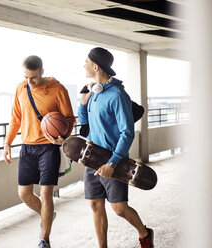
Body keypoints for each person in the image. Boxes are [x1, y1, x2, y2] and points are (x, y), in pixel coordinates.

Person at [78, 47, 154, 248]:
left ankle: (144, 233)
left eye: (86, 61)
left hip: (114, 159)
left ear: (96, 66)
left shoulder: (118, 95)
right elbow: (85, 125)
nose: (83, 65)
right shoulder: (95, 92)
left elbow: (127, 133)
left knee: (119, 208)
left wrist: (112, 162)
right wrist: (83, 104)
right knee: (95, 205)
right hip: (92, 158)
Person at [3, 55, 75, 248]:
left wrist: (64, 136)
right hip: (27, 147)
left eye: (33, 77)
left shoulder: (58, 89)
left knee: (45, 194)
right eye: (26, 77)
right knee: (24, 194)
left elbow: (69, 118)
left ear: (42, 72)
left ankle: (45, 240)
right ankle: (48, 215)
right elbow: (15, 118)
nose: (29, 82)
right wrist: (7, 142)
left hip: (48, 148)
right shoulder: (21, 88)